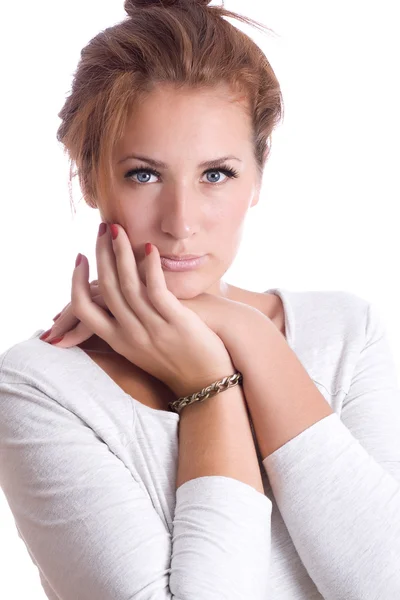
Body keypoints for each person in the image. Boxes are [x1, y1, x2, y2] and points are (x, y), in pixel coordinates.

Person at [1, 1, 400, 599]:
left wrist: (250, 335)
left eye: (216, 174)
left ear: (258, 175)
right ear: (89, 177)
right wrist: (208, 386)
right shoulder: (38, 387)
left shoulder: (346, 332)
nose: (181, 223)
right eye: (144, 174)